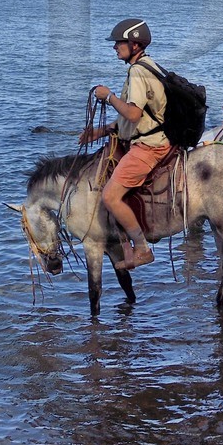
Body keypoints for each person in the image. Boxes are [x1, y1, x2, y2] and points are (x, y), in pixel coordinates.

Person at [81, 18, 170, 271]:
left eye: (119, 42)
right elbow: (138, 117)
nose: (115, 47)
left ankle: (142, 248)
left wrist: (108, 96)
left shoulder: (138, 71)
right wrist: (101, 131)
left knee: (109, 195)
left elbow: (134, 115)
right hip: (152, 137)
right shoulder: (149, 65)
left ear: (134, 44)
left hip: (149, 146)